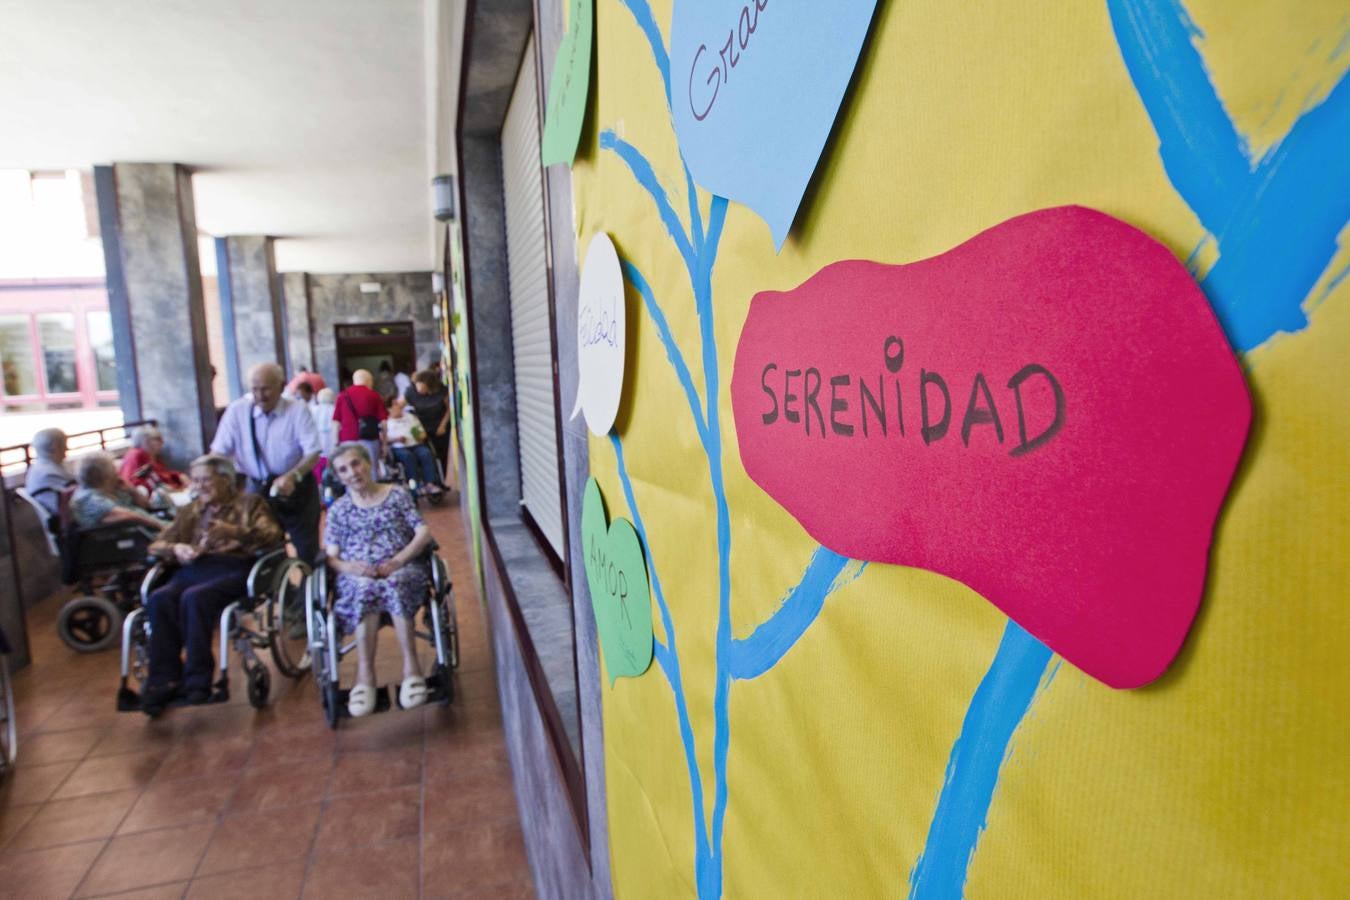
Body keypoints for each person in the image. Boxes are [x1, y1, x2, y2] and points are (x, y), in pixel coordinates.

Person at [141, 455, 283, 714]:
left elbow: (272, 536)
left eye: (206, 479)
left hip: (234, 567)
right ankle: (163, 679)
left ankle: (198, 679)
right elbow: (156, 544)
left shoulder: (250, 504)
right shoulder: (192, 510)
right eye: (196, 480)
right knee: (159, 598)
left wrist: (234, 532)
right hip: (195, 568)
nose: (200, 485)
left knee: (195, 598)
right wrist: (177, 547)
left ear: (226, 479)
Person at [324, 442, 433, 716]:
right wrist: (351, 568)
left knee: (395, 583)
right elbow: (332, 557)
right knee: (363, 588)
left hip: (401, 566)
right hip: (358, 574)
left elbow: (423, 533)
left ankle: (412, 670)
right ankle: (365, 677)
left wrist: (398, 560)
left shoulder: (396, 495)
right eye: (343, 470)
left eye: (356, 464)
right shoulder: (338, 510)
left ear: (368, 464)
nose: (352, 472)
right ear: (338, 477)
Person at [210, 362, 322, 565]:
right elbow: (219, 452)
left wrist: (293, 475)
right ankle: (279, 587)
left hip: (297, 488)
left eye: (266, 389)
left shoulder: (297, 411)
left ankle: (307, 588)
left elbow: (313, 451)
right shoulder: (237, 412)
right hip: (258, 489)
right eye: (255, 389)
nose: (260, 395)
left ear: (282, 385)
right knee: (264, 544)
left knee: (306, 547)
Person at [70, 453, 166, 532]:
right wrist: (161, 526)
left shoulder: (113, 488)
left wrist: (131, 490)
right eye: (114, 469)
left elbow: (146, 506)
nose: (117, 473)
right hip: (141, 537)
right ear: (104, 476)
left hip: (154, 525)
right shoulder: (88, 499)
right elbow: (128, 516)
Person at [385, 396, 444, 495]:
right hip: (399, 448)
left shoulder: (410, 417)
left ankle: (430, 484)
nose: (399, 406)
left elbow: (422, 433)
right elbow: (384, 439)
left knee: (426, 453)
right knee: (408, 457)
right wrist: (396, 439)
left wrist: (420, 436)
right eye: (395, 404)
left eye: (398, 403)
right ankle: (415, 486)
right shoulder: (386, 422)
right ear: (389, 409)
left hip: (415, 444)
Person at [333, 368, 387, 470]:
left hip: (347, 440)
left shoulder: (342, 395)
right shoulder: (374, 395)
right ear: (369, 381)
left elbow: (336, 422)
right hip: (369, 440)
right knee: (371, 471)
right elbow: (384, 422)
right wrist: (384, 444)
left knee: (350, 473)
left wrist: (335, 442)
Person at [404, 370, 453, 473]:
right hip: (421, 427)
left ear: (428, 385)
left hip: (439, 426)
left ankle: (445, 477)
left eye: (421, 386)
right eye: (417, 385)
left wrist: (443, 425)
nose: (419, 389)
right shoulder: (411, 392)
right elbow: (400, 407)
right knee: (426, 454)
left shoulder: (441, 391)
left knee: (443, 454)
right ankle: (432, 480)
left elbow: (450, 409)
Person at [118, 426, 188, 495]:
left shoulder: (150, 454)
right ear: (145, 441)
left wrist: (179, 475)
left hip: (170, 490)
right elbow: (132, 482)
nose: (162, 442)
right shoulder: (135, 455)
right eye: (158, 439)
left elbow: (162, 473)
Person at [24, 428, 74, 517]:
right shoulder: (48, 474)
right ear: (54, 447)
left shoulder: (41, 466)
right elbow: (74, 503)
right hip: (68, 520)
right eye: (64, 444)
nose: (67, 448)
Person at [311, 387, 337, 484]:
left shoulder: (313, 409)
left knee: (317, 475)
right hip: (331, 445)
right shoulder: (335, 409)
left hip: (317, 446)